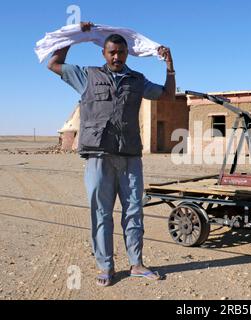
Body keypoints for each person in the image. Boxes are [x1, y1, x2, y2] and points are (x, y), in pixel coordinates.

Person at [47, 21, 176, 286]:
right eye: (112, 52)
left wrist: (169, 66)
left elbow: (168, 96)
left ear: (127, 53)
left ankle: (136, 264)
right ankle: (105, 267)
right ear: (104, 53)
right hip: (98, 156)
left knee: (133, 211)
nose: (116, 57)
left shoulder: (137, 81)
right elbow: (54, 64)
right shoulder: (87, 75)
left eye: (121, 52)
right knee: (101, 213)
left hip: (130, 156)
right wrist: (73, 36)